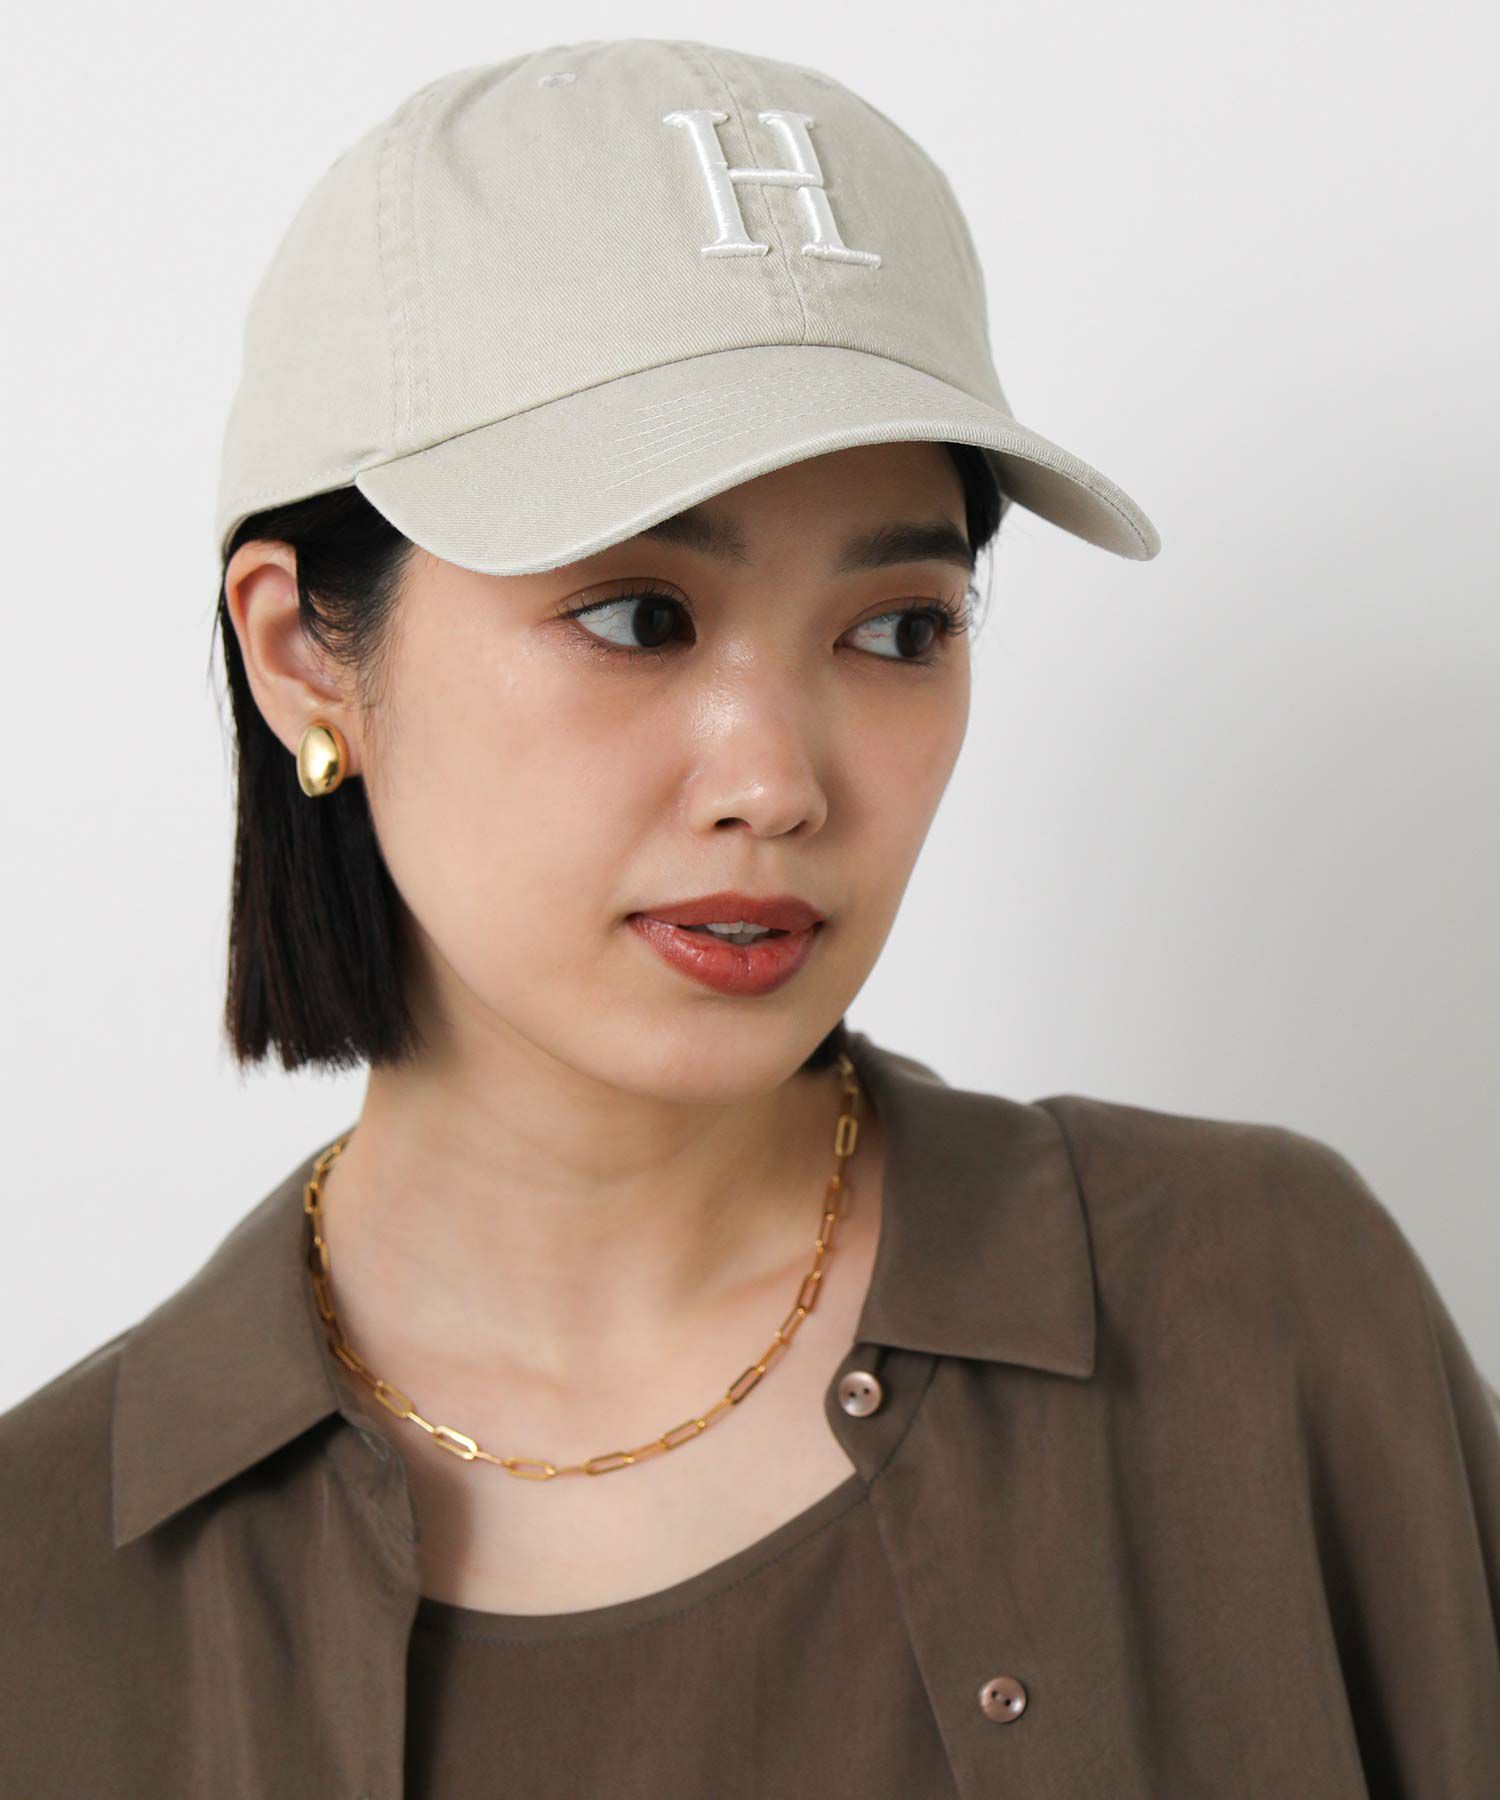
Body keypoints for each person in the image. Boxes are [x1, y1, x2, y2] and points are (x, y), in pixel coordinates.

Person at [3, 36, 1497, 1800]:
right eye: (638, 617)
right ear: (300, 655)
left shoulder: (1264, 1316)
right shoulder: (49, 1586)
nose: (778, 781)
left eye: (900, 629)